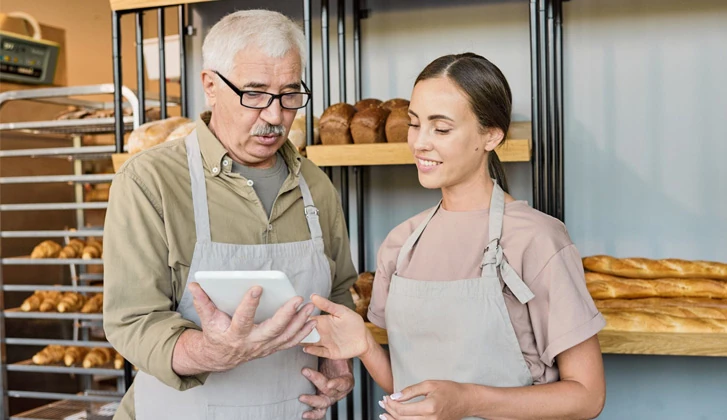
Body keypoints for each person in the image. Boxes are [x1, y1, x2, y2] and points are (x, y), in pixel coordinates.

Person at [304, 53, 607, 420]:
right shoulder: (401, 244)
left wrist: (469, 400)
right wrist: (365, 345)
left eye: (441, 128)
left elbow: (587, 396)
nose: (419, 143)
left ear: (491, 135)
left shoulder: (537, 239)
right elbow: (411, 393)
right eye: (415, 124)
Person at [103, 10, 358, 420]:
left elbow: (340, 292)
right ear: (210, 86)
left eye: (290, 94)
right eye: (255, 94)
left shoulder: (316, 185)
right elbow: (132, 321)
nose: (276, 116)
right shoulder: (150, 182)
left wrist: (338, 363)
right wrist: (212, 352)